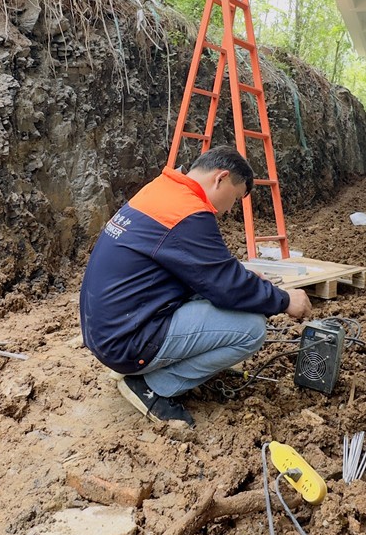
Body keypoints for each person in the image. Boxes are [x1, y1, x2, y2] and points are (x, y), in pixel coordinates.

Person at [80, 145, 312, 427]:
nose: (228, 210)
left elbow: (202, 268)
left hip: (109, 328)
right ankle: (154, 386)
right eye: (236, 198)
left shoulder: (163, 190)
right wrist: (286, 300)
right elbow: (227, 287)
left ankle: (153, 365)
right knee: (251, 330)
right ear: (221, 178)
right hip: (127, 342)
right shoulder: (190, 213)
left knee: (227, 298)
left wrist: (244, 279)